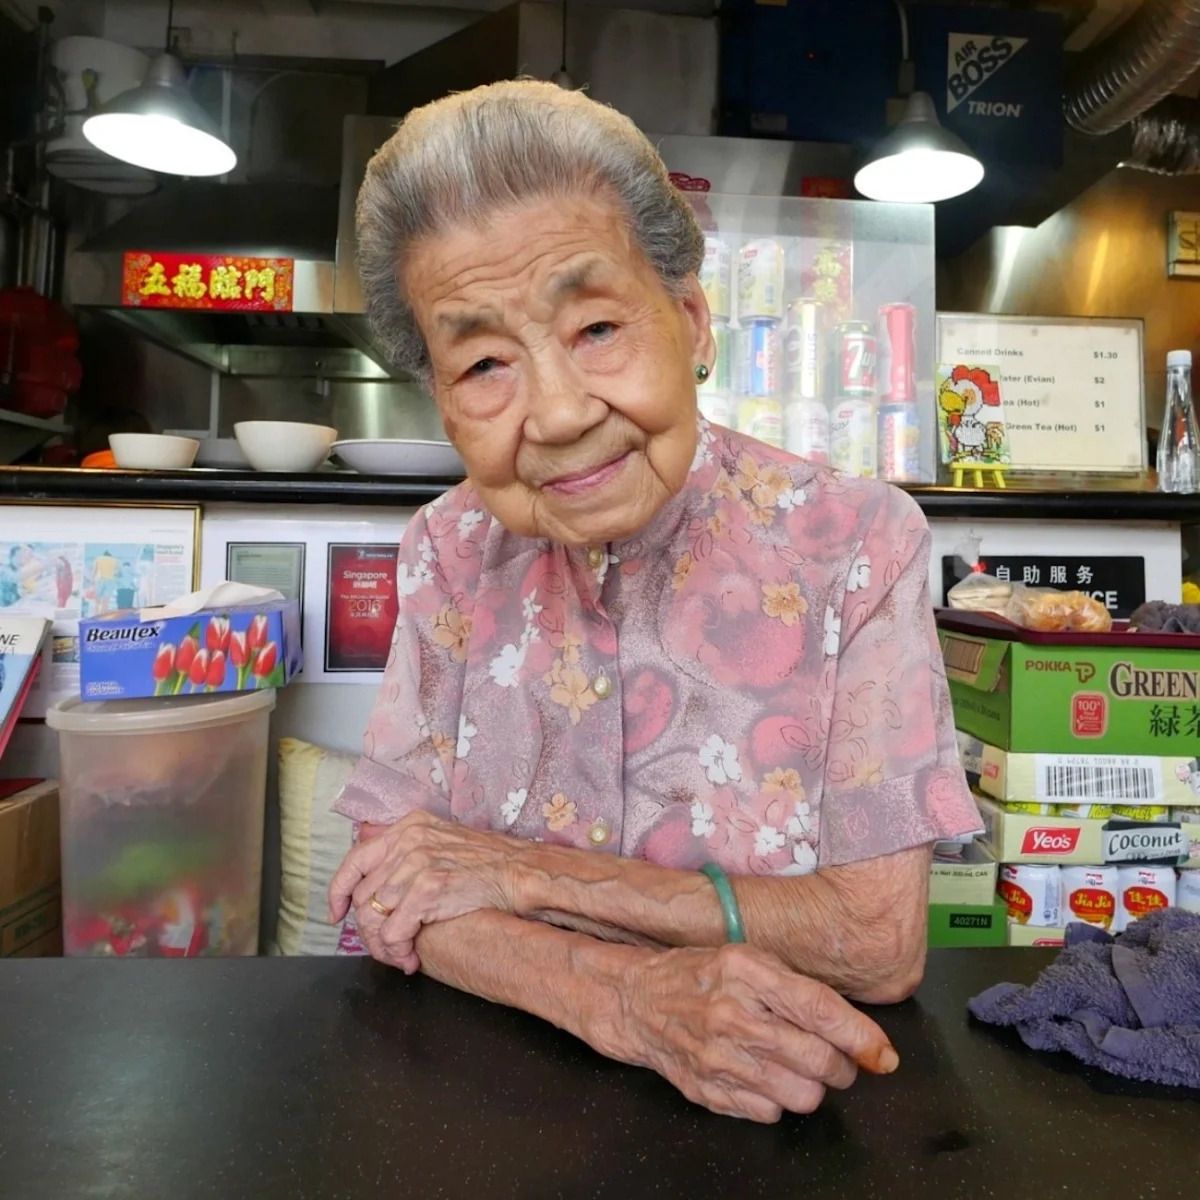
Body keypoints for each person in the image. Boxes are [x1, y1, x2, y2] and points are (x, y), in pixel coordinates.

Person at [328, 81, 979, 1123]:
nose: (556, 412)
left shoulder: (854, 545)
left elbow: (874, 943)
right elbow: (389, 888)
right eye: (485, 361)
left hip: (785, 1111)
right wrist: (623, 998)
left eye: (594, 328)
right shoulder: (448, 550)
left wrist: (521, 878)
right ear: (442, 400)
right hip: (486, 1117)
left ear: (687, 319)